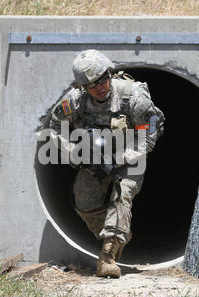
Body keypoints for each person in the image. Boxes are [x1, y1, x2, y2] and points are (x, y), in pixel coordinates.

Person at [48, 49, 165, 278]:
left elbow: (153, 128)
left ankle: (107, 257)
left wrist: (126, 156)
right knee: (83, 201)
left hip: (129, 156)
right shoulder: (75, 101)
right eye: (93, 84)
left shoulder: (132, 97)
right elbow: (55, 126)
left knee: (122, 195)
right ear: (83, 87)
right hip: (93, 157)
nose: (100, 86)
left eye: (103, 78)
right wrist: (74, 152)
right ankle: (118, 232)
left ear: (110, 73)